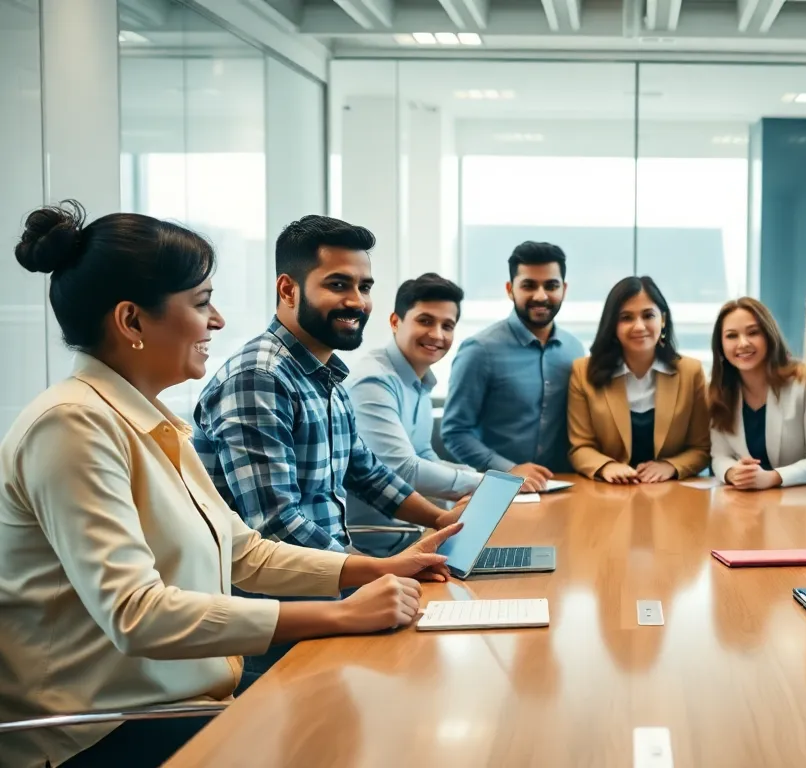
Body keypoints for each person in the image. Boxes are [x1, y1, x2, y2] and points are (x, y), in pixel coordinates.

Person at [0, 202, 462, 768]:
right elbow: (137, 613)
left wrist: (378, 569)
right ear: (131, 321)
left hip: (188, 699)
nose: (217, 321)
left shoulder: (153, 420)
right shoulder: (72, 425)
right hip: (101, 732)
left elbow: (242, 550)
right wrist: (342, 612)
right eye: (201, 304)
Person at [193, 216, 466, 683]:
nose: (357, 301)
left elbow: (365, 469)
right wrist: (377, 572)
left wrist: (442, 520)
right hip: (281, 615)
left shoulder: (327, 373)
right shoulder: (259, 377)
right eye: (338, 285)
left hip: (335, 591)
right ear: (288, 288)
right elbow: (275, 524)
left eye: (364, 286)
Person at [344, 274, 542, 557]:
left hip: (416, 534)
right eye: (425, 321)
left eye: (447, 326)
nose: (437, 335)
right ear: (395, 321)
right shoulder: (373, 381)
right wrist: (492, 483)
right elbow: (404, 469)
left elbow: (424, 454)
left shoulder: (419, 381)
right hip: (380, 546)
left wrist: (477, 478)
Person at [440, 241, 585, 482]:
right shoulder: (480, 350)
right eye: (529, 285)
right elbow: (455, 432)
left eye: (551, 285)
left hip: (564, 486)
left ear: (564, 289)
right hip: (498, 488)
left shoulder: (574, 350)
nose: (541, 295)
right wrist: (509, 470)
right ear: (510, 289)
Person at [568, 276, 710, 483]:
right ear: (612, 325)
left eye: (648, 315)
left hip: (671, 494)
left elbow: (702, 448)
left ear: (662, 319)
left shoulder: (691, 372)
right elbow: (579, 447)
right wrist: (607, 466)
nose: (639, 326)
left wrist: (671, 466)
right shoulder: (583, 372)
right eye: (626, 318)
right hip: (608, 493)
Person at [707, 297, 806, 489]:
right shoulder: (719, 389)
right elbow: (720, 455)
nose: (743, 343)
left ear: (768, 335)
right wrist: (732, 472)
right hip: (743, 504)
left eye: (753, 332)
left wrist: (773, 477)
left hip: (799, 503)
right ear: (720, 346)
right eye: (731, 336)